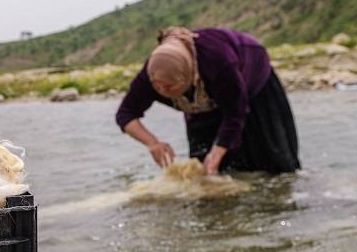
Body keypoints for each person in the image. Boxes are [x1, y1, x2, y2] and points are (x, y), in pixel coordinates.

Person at [115, 27, 300, 174]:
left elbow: (236, 113)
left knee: (272, 161)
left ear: (188, 77)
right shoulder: (152, 75)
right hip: (202, 103)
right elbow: (125, 115)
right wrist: (152, 143)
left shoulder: (217, 61)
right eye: (158, 87)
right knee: (204, 171)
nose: (164, 91)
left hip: (252, 80)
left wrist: (217, 153)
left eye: (170, 87)